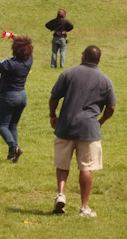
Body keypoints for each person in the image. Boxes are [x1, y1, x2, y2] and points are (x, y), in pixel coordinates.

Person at [48, 45, 117, 218]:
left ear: (83, 57)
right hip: (89, 128)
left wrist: (53, 116)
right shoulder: (105, 80)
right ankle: (84, 207)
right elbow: (111, 107)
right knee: (86, 167)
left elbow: (54, 97)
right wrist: (100, 121)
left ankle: (60, 194)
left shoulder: (68, 74)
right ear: (98, 61)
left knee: (62, 164)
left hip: (65, 125)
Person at [0, 35, 34, 162]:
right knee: (13, 125)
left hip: (9, 96)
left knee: (2, 126)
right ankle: (12, 154)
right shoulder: (29, 60)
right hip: (22, 96)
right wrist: (15, 37)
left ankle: (14, 147)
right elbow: (25, 48)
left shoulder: (10, 64)